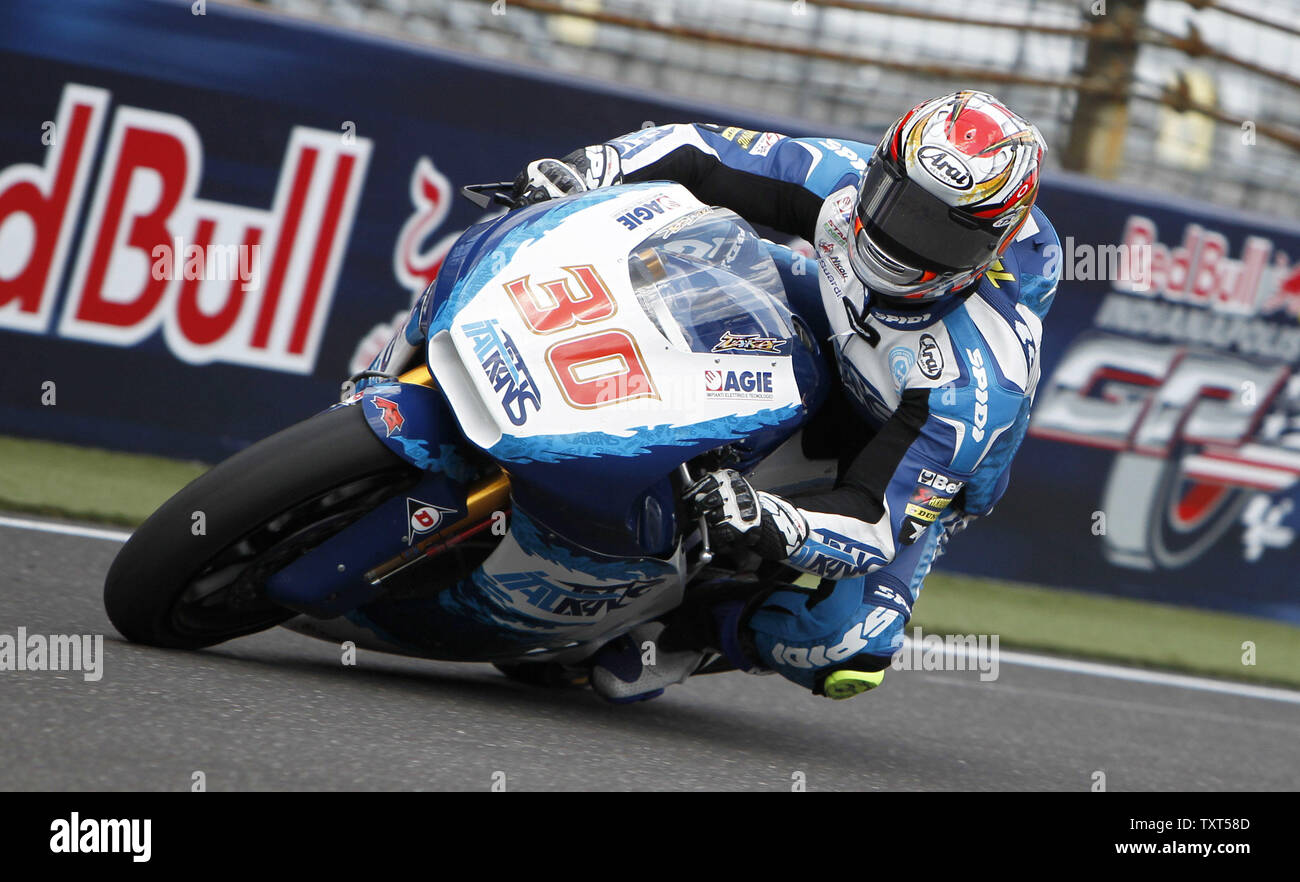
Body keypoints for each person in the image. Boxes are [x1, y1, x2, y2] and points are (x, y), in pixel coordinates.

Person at [511, 91, 1060, 702]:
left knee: (852, 644)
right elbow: (699, 151)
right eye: (896, 202)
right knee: (691, 252)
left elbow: (875, 519)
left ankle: (692, 630)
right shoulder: (842, 179)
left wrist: (780, 522)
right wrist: (593, 170)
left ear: (988, 251)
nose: (899, 237)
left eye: (939, 234)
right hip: (824, 311)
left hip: (892, 445)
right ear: (880, 169)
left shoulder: (978, 374)